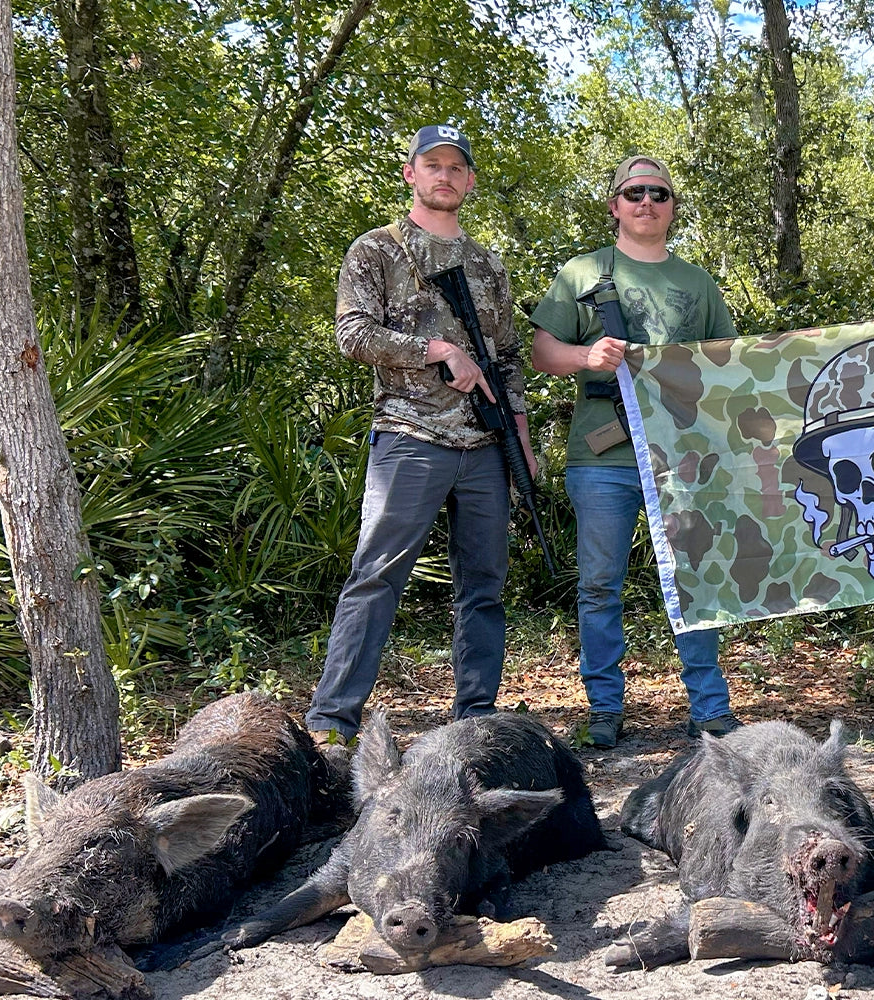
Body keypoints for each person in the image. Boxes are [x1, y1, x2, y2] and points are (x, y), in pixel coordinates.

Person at [306, 124, 535, 742]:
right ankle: (332, 723)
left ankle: (476, 720)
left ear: (470, 180)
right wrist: (434, 349)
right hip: (410, 438)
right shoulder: (376, 250)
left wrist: (519, 434)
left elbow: (506, 355)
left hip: (485, 447)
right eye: (432, 165)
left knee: (483, 587)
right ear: (411, 173)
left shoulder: (488, 264)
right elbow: (353, 334)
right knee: (375, 575)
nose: (444, 176)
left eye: (456, 167)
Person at [531, 155, 739, 748]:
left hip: (684, 457)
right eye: (633, 193)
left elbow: (726, 366)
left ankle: (710, 708)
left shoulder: (697, 282)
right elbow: (543, 353)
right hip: (603, 458)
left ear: (671, 206)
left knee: (696, 580)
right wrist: (587, 357)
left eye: (658, 193)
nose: (646, 202)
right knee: (600, 585)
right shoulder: (583, 273)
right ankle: (603, 707)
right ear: (614, 204)